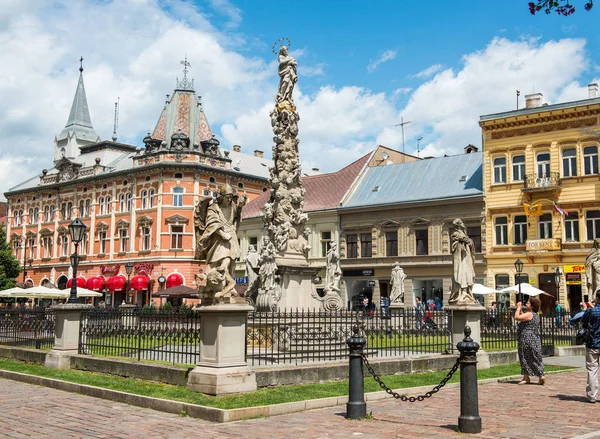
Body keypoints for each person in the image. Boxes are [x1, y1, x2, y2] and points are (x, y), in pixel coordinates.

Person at [571, 291, 600, 403]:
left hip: (593, 344)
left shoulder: (591, 310)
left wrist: (585, 308)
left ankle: (592, 396)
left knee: (592, 370)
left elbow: (575, 320)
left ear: (597, 298)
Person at [515, 297, 545, 385]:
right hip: (535, 338)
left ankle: (526, 377)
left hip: (526, 338)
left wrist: (518, 307)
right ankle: (540, 376)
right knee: (535, 357)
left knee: (524, 356)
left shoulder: (529, 314)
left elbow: (517, 317)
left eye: (528, 303)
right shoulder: (535, 315)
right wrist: (521, 311)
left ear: (532, 306)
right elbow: (523, 317)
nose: (526, 304)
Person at [449, 218, 476, 303]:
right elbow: (454, 247)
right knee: (460, 274)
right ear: (459, 225)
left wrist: (469, 242)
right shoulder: (455, 234)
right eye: (462, 223)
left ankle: (466, 292)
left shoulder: (465, 235)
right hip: (460, 260)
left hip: (466, 259)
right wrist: (461, 242)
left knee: (468, 274)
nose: (463, 224)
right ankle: (461, 293)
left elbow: (471, 246)